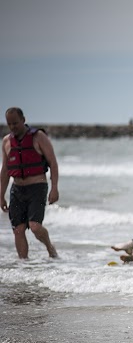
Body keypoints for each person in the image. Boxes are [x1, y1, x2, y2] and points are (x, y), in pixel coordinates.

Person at [1, 107, 59, 259]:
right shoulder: (6, 141)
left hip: (37, 187)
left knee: (35, 227)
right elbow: (5, 170)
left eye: (15, 123)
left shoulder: (38, 137)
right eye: (9, 124)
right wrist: (1, 196)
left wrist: (54, 188)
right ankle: (24, 265)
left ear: (23, 120)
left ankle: (50, 247)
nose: (12, 127)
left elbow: (53, 163)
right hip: (17, 189)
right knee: (18, 230)